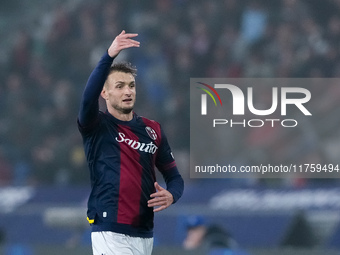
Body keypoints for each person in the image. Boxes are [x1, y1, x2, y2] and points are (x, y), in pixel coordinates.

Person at [77, 30, 184, 255]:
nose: (128, 91)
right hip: (110, 230)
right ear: (104, 93)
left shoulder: (152, 129)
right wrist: (109, 56)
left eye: (131, 85)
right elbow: (87, 98)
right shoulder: (97, 126)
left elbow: (175, 178)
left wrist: (172, 194)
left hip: (145, 233)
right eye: (120, 86)